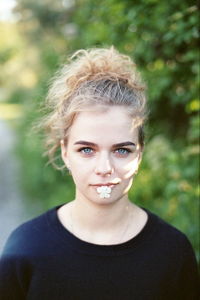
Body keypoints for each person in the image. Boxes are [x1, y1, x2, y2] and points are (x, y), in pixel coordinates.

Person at [0, 47, 199, 300]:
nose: (104, 168)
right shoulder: (25, 249)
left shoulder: (173, 252)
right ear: (64, 152)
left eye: (122, 151)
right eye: (86, 150)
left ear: (139, 153)